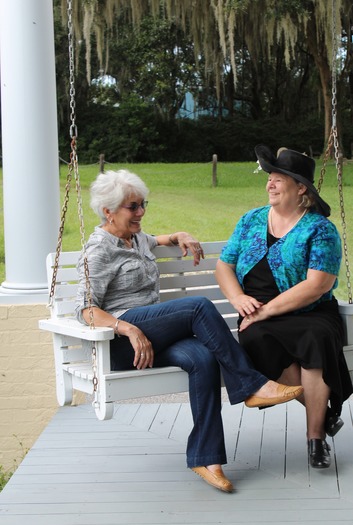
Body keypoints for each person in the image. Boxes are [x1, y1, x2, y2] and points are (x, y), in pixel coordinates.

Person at [75, 168, 303, 493]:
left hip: (151, 338)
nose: (140, 212)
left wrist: (178, 235)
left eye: (143, 205)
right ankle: (251, 383)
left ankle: (206, 458)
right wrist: (126, 328)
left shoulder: (135, 237)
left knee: (202, 358)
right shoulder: (99, 250)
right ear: (108, 211)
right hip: (121, 344)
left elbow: (156, 240)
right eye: (132, 207)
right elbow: (84, 310)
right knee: (197, 306)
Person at [215, 145, 353, 470]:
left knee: (314, 340)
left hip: (311, 313)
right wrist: (238, 299)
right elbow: (224, 266)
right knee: (257, 338)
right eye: (270, 179)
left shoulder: (320, 229)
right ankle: (324, 411)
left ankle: (315, 439)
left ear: (300, 187)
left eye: (278, 179)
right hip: (257, 316)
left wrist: (266, 310)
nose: (270, 185)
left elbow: (317, 284)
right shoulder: (251, 220)